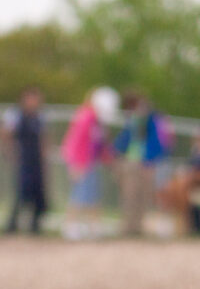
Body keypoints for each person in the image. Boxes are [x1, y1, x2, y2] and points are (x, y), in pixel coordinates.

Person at [59, 87, 118, 240]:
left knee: (93, 195)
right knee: (79, 195)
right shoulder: (85, 117)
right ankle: (70, 226)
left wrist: (108, 159)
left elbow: (100, 145)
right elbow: (75, 141)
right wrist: (76, 164)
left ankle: (94, 227)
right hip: (81, 163)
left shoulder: (97, 122)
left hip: (91, 163)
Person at [109, 92, 169, 237]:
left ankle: (138, 227)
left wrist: (150, 161)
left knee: (143, 197)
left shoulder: (153, 123)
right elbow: (122, 142)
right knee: (130, 196)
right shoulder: (132, 122)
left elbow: (158, 145)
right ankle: (128, 226)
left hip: (146, 165)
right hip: (131, 163)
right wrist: (113, 155)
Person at [0, 87, 49, 234]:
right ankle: (12, 225)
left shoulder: (39, 117)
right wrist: (9, 151)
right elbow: (3, 132)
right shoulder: (15, 115)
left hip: (36, 160)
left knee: (38, 193)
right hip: (23, 159)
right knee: (21, 193)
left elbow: (44, 138)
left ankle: (35, 226)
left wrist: (44, 158)